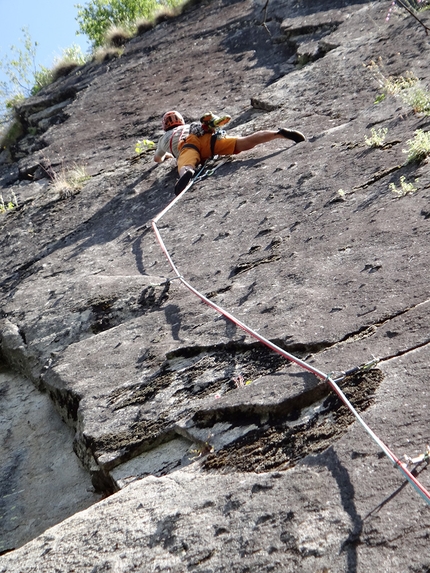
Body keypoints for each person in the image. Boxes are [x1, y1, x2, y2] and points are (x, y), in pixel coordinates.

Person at [154, 110, 306, 196]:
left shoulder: (163, 139)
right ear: (181, 120)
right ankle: (279, 133)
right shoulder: (190, 126)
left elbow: (157, 159)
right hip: (208, 138)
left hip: (189, 146)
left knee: (186, 164)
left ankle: (187, 174)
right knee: (244, 141)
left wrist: (166, 155)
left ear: (164, 126)